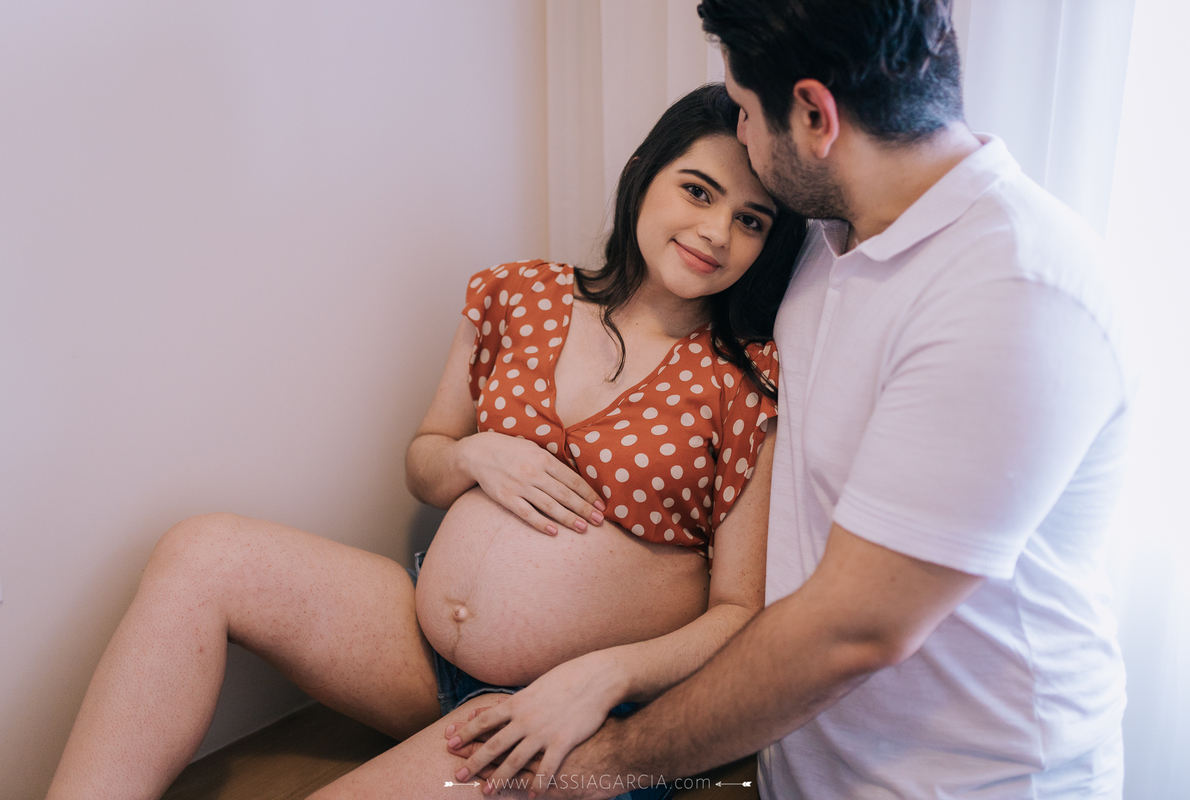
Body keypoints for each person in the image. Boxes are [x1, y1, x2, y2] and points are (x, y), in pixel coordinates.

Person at [45, 84, 807, 800]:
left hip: (569, 716)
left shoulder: (749, 383)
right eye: (698, 190)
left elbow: (740, 612)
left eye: (751, 220)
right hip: (420, 651)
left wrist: (602, 679)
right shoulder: (519, 294)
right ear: (645, 173)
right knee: (201, 550)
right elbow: (426, 458)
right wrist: (473, 454)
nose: (716, 231)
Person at [448, 2, 1131, 798]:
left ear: (814, 115)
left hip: (964, 781)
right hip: (799, 764)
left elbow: (851, 631)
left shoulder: (1012, 293)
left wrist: (601, 765)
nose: (740, 134)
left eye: (742, 110)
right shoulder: (826, 239)